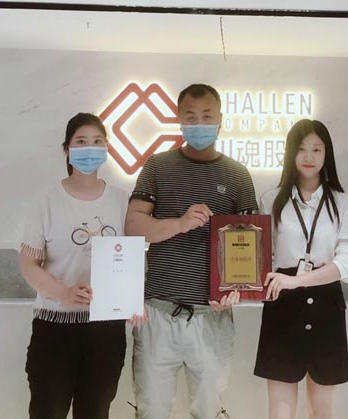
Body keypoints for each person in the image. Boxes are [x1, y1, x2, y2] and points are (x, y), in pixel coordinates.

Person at [125, 83, 258, 419]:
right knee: (151, 411)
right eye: (191, 117)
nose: (199, 124)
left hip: (211, 317)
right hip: (158, 313)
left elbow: (250, 245)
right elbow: (133, 226)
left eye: (207, 116)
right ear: (179, 120)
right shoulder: (157, 166)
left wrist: (236, 290)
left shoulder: (238, 175)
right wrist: (179, 224)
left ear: (221, 119)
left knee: (209, 411)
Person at [19, 112, 144, 419]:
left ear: (107, 148)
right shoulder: (44, 202)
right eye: (81, 141)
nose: (90, 148)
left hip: (106, 333)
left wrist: (134, 299)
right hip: (55, 328)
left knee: (96, 411)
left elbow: (132, 258)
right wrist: (64, 293)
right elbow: (29, 265)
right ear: (67, 150)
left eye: (97, 141)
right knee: (48, 411)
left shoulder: (122, 201)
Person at [254, 119, 348, 419]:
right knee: (280, 412)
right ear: (290, 153)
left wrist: (297, 280)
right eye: (301, 149)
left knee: (322, 411)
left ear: (327, 154)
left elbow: (347, 261)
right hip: (282, 307)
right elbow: (261, 258)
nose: (309, 157)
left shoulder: (343, 204)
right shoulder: (271, 200)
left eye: (317, 149)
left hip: (326, 306)